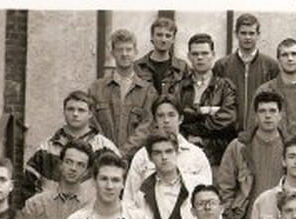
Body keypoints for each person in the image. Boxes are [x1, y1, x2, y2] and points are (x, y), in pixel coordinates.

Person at [17, 90, 119, 208]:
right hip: (52, 213)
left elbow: (118, 185)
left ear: (90, 114)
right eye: (70, 109)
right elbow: (27, 187)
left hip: (91, 213)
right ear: (64, 111)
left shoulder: (105, 149)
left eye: (81, 110)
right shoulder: (46, 149)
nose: (75, 114)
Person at [215, 90, 286, 219]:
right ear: (255, 116)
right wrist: (230, 215)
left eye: (272, 111)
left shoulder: (290, 148)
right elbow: (225, 184)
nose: (267, 116)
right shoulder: (239, 146)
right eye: (262, 111)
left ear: (280, 115)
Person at [88, 29, 158, 162]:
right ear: (112, 53)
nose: (124, 54)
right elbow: (92, 124)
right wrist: (108, 151)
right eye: (120, 49)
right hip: (102, 159)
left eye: (128, 49)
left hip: (136, 161)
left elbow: (147, 126)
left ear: (135, 52)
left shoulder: (148, 91)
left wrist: (122, 153)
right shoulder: (96, 88)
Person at [123, 94, 211, 199]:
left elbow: (207, 196)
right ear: (155, 121)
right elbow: (130, 197)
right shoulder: (142, 156)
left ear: (180, 119)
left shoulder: (196, 156)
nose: (166, 120)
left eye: (171, 115)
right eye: (160, 116)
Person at [170, 33, 237, 166]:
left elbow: (228, 120)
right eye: (195, 54)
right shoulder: (178, 88)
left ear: (213, 55)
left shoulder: (225, 87)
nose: (200, 58)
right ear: (189, 56)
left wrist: (193, 122)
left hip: (217, 157)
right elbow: (171, 119)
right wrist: (187, 138)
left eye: (205, 53)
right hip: (183, 157)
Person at [213, 13, 279, 132]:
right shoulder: (222, 65)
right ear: (236, 34)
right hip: (228, 133)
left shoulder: (271, 66)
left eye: (251, 33)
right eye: (243, 33)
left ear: (258, 35)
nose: (247, 37)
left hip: (259, 132)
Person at [135, 17, 189, 96]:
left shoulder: (182, 68)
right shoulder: (138, 67)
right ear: (152, 37)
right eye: (159, 35)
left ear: (173, 39)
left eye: (168, 36)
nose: (163, 40)